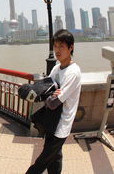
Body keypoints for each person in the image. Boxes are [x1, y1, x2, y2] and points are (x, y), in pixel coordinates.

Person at [26, 29, 81, 174]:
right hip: (51, 121)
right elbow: (44, 91)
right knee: (55, 158)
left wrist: (51, 95)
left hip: (61, 125)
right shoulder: (57, 68)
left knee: (42, 161)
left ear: (71, 47)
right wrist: (51, 94)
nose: (57, 50)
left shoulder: (73, 72)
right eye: (55, 46)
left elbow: (52, 103)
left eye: (61, 46)